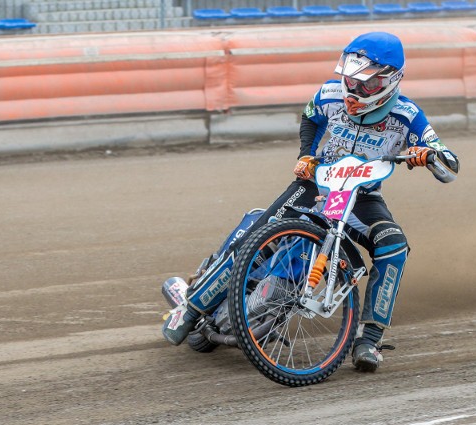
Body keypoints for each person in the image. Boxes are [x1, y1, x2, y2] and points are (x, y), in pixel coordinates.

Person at [162, 31, 459, 373]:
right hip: (315, 183)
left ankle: (368, 339)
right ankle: (191, 308)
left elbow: (450, 165)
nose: (354, 91)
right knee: (260, 232)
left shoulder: (408, 116)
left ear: (391, 80)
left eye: (366, 84)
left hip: (361, 196)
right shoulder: (329, 94)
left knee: (393, 246)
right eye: (350, 80)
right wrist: (306, 154)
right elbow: (310, 118)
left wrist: (429, 155)